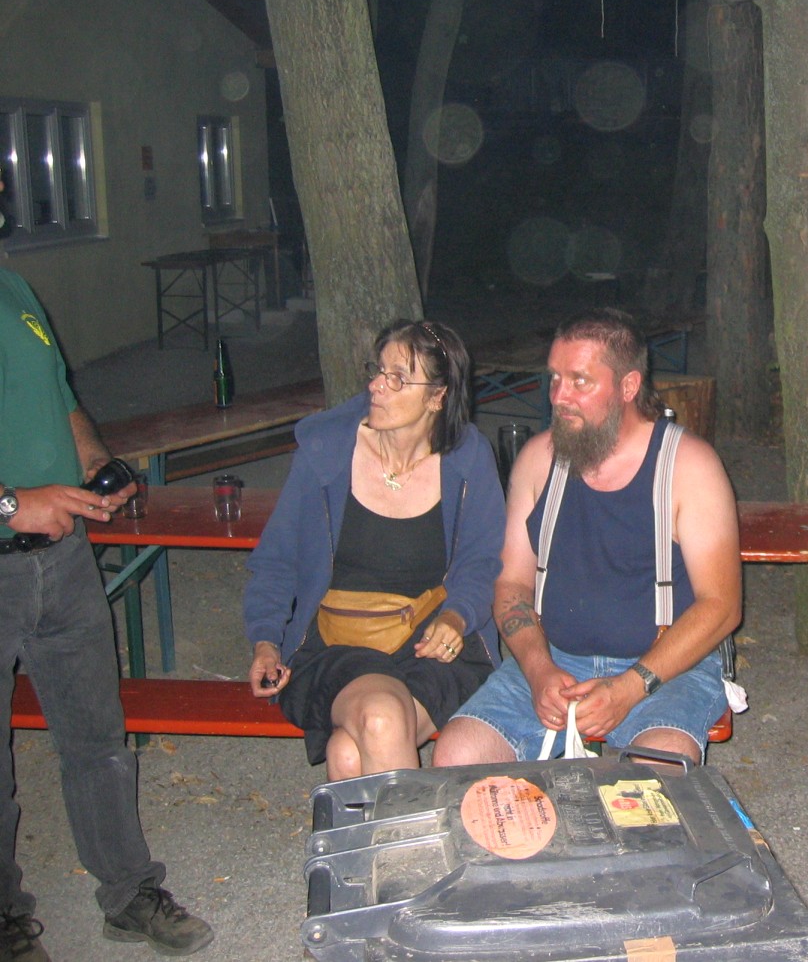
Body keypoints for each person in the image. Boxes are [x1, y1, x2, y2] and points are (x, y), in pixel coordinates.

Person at [0, 176, 213, 961]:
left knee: (97, 737)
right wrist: (12, 503)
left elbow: (61, 397)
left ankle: (128, 894)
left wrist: (94, 462)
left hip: (62, 560)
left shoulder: (12, 283)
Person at [433, 308, 741, 767]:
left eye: (580, 381)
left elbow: (721, 606)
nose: (559, 396)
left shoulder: (688, 466)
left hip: (668, 668)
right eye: (555, 378)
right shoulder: (539, 460)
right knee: (457, 755)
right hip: (556, 659)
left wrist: (631, 686)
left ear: (628, 386)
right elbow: (512, 584)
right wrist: (538, 670)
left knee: (660, 770)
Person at [245, 320, 504, 780]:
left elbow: (482, 561)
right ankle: (417, 832)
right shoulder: (327, 452)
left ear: (437, 396)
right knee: (381, 718)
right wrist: (266, 641)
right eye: (378, 371)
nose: (376, 386)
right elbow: (277, 560)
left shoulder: (467, 457)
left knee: (349, 753)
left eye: (398, 378)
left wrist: (456, 616)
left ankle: (364, 832)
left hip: (431, 645)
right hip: (334, 645)